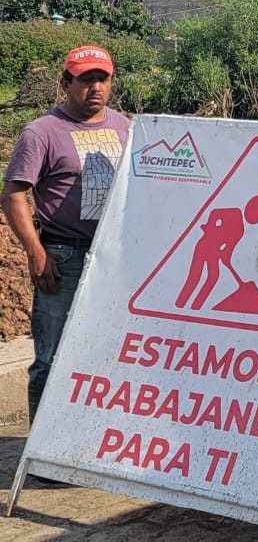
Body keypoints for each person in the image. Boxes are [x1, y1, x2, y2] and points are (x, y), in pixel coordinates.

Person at [0, 46, 130, 422]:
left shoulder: (124, 127)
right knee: (52, 357)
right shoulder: (42, 132)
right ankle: (40, 455)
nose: (95, 87)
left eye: (102, 79)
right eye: (86, 79)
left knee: (107, 352)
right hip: (63, 256)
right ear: (65, 83)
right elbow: (13, 195)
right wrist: (35, 252)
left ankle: (91, 441)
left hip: (113, 257)